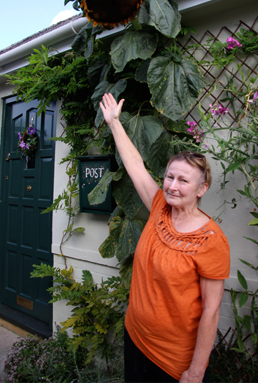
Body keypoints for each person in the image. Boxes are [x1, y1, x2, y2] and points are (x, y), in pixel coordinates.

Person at [100, 93, 230, 383]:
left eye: (183, 180)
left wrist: (196, 372)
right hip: (136, 337)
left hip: (173, 359)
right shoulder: (159, 207)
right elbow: (134, 164)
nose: (172, 186)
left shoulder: (210, 239)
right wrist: (115, 124)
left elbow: (211, 310)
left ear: (201, 189)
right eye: (170, 177)